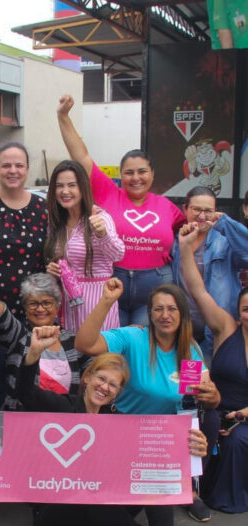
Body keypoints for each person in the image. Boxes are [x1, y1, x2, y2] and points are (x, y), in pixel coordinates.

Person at [17, 326, 208, 526]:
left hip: (100, 518)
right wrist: (33, 355)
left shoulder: (117, 422)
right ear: (87, 376)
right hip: (58, 523)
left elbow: (158, 455)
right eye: (101, 378)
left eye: (113, 384)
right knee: (88, 492)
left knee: (154, 472)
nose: (104, 387)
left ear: (118, 392)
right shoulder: (62, 407)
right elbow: (26, 394)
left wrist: (193, 447)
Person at [75, 279, 221, 523]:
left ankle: (189, 488)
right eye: (158, 309)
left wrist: (214, 397)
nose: (165, 315)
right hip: (126, 426)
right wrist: (107, 302)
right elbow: (84, 344)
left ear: (182, 313)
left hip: (164, 434)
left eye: (172, 309)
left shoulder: (189, 349)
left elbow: (195, 399)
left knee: (211, 418)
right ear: (149, 314)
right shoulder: (133, 337)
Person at [57, 94, 185, 326]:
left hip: (154, 286)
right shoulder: (107, 192)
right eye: (129, 172)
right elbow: (82, 156)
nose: (136, 178)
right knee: (112, 345)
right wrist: (63, 116)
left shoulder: (167, 207)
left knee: (142, 345)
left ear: (152, 174)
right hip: (113, 283)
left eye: (142, 171)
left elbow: (189, 230)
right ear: (120, 175)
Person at [0, 142, 48, 408]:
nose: (12, 170)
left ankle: (23, 443)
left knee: (28, 381)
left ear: (28, 168)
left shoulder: (42, 206)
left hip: (30, 312)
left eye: (19, 165)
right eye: (6, 165)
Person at [0, 240, 89, 409]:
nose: (40, 309)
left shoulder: (73, 341)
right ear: (24, 307)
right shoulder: (18, 335)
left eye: (47, 303)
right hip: (21, 421)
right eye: (33, 303)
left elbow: (97, 370)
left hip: (65, 423)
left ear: (58, 305)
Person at [179, 223, 248, 513]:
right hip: (215, 409)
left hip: (245, 415)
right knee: (203, 427)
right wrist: (185, 250)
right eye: (246, 308)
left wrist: (244, 415)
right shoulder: (226, 328)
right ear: (239, 311)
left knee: (236, 442)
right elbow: (198, 291)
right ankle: (193, 492)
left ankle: (228, 498)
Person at [171, 185, 248, 363]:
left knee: (210, 384)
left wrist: (226, 224)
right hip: (182, 330)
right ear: (185, 209)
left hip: (216, 331)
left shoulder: (225, 242)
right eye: (196, 209)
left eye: (208, 211)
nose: (202, 216)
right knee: (185, 383)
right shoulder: (176, 241)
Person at [44, 159, 124, 331]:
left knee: (97, 354)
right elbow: (57, 258)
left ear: (82, 187)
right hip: (67, 300)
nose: (65, 191)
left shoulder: (100, 218)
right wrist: (52, 269)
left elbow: (118, 254)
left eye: (72, 185)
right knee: (72, 353)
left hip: (97, 300)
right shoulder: (56, 222)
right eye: (59, 186)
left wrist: (102, 234)